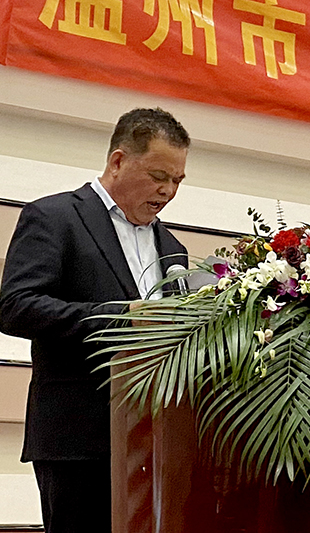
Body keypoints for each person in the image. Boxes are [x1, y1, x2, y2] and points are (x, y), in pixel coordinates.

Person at [0, 108, 190, 533]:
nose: (168, 190)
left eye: (178, 180)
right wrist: (122, 317)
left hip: (156, 445)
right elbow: (16, 307)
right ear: (118, 161)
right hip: (77, 440)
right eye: (159, 176)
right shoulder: (55, 217)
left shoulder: (172, 247)